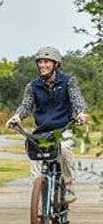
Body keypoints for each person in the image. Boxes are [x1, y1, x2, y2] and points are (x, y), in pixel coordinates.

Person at [7, 46, 89, 203]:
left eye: (46, 62)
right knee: (34, 152)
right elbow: (26, 105)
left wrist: (80, 113)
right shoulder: (33, 86)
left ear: (55, 64)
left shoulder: (68, 81)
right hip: (42, 131)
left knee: (64, 149)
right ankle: (37, 194)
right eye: (40, 62)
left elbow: (77, 100)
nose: (42, 65)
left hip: (63, 129)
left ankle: (69, 184)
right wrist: (17, 117)